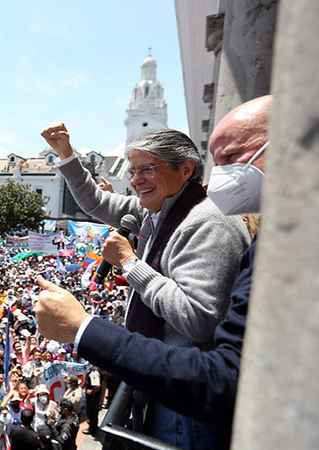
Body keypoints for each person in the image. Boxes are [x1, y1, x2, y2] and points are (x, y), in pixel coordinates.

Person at [35, 95, 273, 448]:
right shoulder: (157, 209)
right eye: (132, 171)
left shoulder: (208, 223)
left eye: (147, 169)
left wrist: (131, 264)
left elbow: (199, 319)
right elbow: (94, 202)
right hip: (163, 387)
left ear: (185, 170)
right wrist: (67, 154)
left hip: (186, 407)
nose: (135, 180)